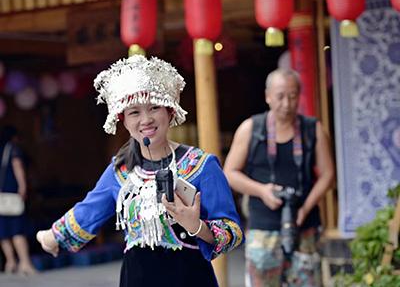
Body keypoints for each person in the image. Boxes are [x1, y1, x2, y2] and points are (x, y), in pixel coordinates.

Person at [36, 55, 244, 287]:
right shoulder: (120, 171)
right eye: (134, 112)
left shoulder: (202, 165)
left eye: (154, 107)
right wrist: (50, 238)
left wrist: (197, 226)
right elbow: (88, 212)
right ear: (123, 120)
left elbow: (232, 232)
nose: (146, 119)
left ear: (170, 112)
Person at [223, 69, 335, 287]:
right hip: (263, 229)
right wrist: (262, 191)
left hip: (306, 226)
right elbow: (229, 173)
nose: (287, 103)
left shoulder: (312, 129)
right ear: (267, 96)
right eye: (280, 96)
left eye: (293, 96)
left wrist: (304, 208)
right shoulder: (251, 129)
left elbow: (328, 175)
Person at [0, 126, 37, 275]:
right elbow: (17, 166)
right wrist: (23, 186)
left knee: (3, 231)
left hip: (0, 195)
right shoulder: (12, 148)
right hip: (11, 193)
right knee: (17, 229)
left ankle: (10, 262)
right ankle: (25, 263)